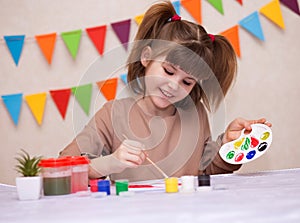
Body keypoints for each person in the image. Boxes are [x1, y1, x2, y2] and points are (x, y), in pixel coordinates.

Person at [59, 0, 272, 182]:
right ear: (146, 57)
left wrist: (229, 145)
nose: (174, 86)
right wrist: (109, 163)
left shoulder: (195, 114)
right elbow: (62, 168)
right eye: (168, 71)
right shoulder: (113, 114)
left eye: (187, 82)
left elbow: (207, 172)